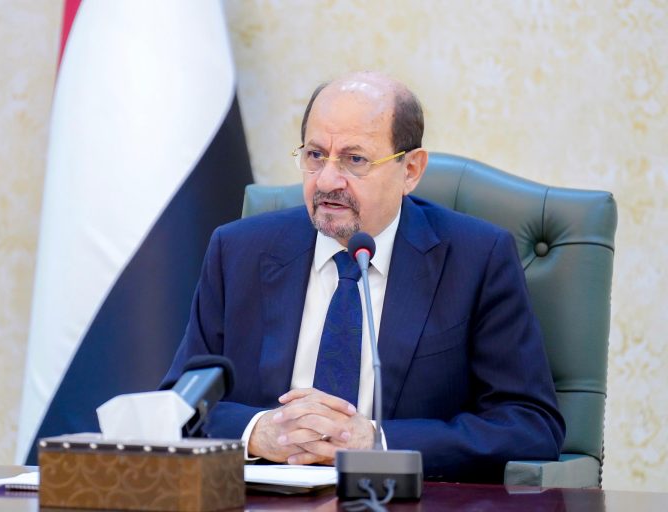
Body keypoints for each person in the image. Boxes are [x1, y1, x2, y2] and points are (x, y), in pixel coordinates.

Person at [161, 72, 565, 482]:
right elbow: (179, 403)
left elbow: (530, 425)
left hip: (403, 500)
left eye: (355, 160)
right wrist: (257, 432)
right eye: (315, 155)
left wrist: (375, 441)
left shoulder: (476, 259)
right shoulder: (238, 251)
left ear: (411, 170)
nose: (326, 181)